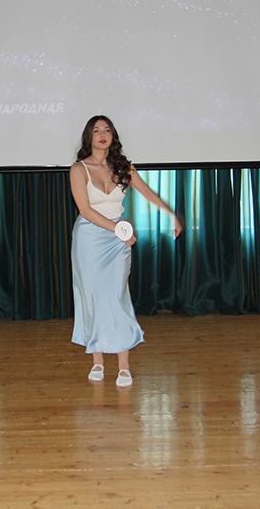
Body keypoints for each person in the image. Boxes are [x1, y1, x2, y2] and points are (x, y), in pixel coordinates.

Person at [68, 115, 182, 387]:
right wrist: (120, 229)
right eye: (97, 130)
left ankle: (123, 366)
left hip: (118, 240)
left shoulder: (123, 166)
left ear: (113, 136)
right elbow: (85, 210)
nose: (102, 135)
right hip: (89, 239)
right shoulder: (78, 169)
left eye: (107, 130)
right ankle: (97, 361)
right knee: (93, 298)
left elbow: (148, 193)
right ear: (89, 137)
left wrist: (171, 215)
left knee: (117, 296)